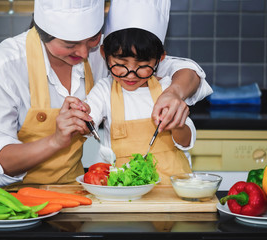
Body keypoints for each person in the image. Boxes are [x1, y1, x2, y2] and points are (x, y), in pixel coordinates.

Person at [0, 0, 212, 190]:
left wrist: (174, 92)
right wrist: (55, 140)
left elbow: (185, 70)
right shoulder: (4, 65)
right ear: (43, 32)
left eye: (94, 38)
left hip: (67, 192)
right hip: (4, 197)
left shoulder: (106, 52)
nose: (85, 52)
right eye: (69, 43)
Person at [84, 0, 212, 185]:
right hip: (124, 192)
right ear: (104, 53)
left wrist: (176, 125)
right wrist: (80, 116)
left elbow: (186, 141)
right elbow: (89, 117)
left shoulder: (166, 88)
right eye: (121, 63)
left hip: (172, 192)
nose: (131, 73)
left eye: (143, 65)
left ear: (159, 59)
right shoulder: (104, 90)